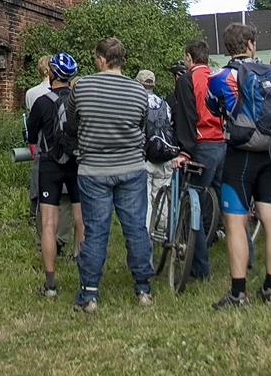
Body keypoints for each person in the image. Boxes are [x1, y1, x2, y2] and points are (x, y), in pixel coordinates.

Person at [67, 37, 154, 312]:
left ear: (102, 60)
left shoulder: (82, 86)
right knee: (136, 228)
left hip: (93, 169)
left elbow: (72, 119)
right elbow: (142, 124)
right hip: (131, 166)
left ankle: (89, 293)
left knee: (95, 231)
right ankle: (143, 289)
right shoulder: (138, 90)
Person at [206, 25, 271, 308]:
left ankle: (238, 292)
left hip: (240, 154)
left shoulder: (219, 77)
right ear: (251, 45)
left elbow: (213, 108)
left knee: (235, 223)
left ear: (227, 47)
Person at [26, 53, 85, 299]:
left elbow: (31, 138)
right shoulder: (80, 100)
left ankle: (50, 284)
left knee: (48, 223)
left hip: (50, 165)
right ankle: (86, 279)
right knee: (80, 219)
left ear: (51, 73)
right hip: (76, 164)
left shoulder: (41, 102)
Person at [171, 38, 225, 280]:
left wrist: (185, 150)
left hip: (202, 145)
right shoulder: (217, 77)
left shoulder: (187, 80)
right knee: (229, 205)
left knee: (191, 205)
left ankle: (198, 267)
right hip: (222, 143)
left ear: (189, 57)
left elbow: (187, 117)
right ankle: (246, 258)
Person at [136, 69, 173, 230]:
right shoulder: (164, 104)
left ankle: (145, 233)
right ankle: (162, 231)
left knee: (145, 198)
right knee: (162, 197)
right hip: (164, 155)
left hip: (144, 156)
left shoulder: (137, 103)